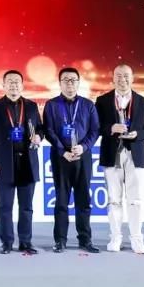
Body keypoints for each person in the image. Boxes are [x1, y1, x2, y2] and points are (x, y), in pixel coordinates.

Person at [95, 63, 144, 254]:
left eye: (126, 76)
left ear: (132, 78)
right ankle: (115, 238)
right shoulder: (102, 101)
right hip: (111, 153)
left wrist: (138, 134)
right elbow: (95, 127)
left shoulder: (143, 101)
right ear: (112, 78)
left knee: (135, 199)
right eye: (118, 76)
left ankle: (137, 239)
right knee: (114, 199)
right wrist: (110, 128)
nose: (122, 79)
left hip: (135, 154)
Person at [0, 70, 43, 255]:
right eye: (9, 81)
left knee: (26, 207)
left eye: (17, 81)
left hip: (27, 163)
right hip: (4, 163)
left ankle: (25, 242)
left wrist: (39, 137)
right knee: (5, 206)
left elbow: (40, 128)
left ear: (22, 85)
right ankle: (7, 243)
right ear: (3, 85)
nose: (13, 85)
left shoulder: (32, 106)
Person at [43, 66, 101, 254]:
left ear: (78, 83)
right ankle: (60, 240)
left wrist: (83, 147)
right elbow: (49, 130)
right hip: (61, 158)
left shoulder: (88, 105)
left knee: (83, 200)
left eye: (73, 80)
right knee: (61, 200)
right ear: (60, 83)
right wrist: (63, 151)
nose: (69, 83)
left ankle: (85, 239)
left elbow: (95, 130)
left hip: (83, 157)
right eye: (66, 80)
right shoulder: (51, 105)